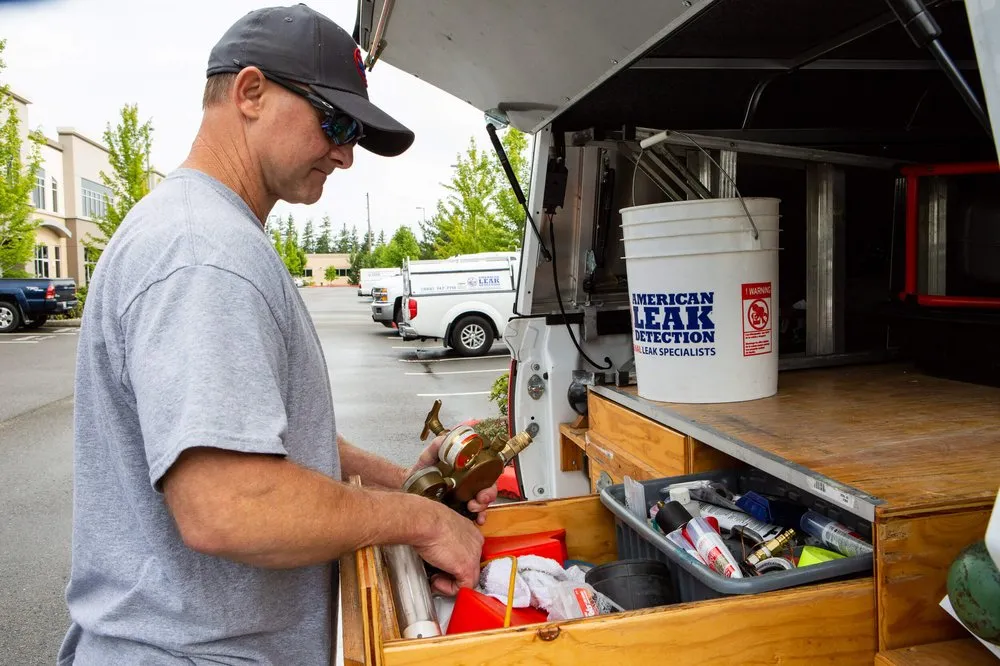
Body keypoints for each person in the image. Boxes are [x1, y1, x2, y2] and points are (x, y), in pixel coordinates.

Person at [57, 4, 494, 664]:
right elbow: (231, 505)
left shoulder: (208, 232)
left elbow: (258, 428)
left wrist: (398, 478)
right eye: (336, 122)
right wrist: (420, 518)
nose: (345, 153)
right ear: (251, 92)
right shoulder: (203, 252)